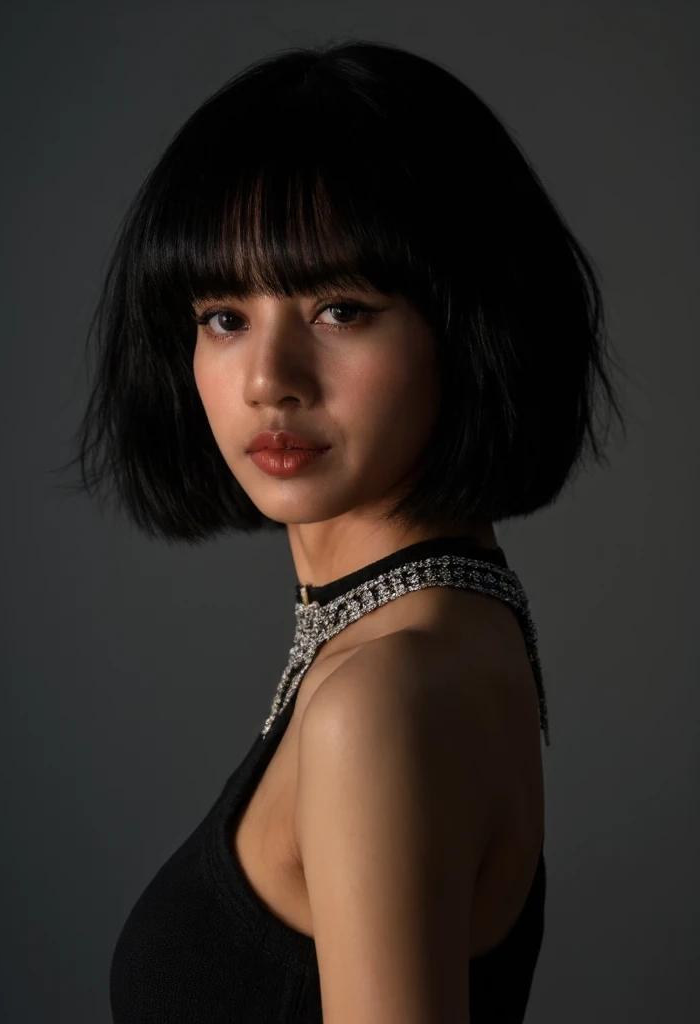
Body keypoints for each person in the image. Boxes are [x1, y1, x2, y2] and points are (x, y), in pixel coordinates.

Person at [62, 36, 626, 1023]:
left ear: (467, 322)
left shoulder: (383, 696)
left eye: (338, 308)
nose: (269, 379)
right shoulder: (450, 628)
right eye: (223, 315)